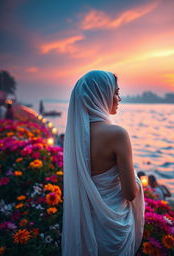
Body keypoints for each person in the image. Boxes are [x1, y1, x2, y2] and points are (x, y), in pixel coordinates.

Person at [62, 70, 145, 256]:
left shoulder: (75, 135)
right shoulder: (117, 134)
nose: (119, 98)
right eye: (115, 92)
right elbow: (130, 193)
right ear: (100, 94)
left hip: (86, 224)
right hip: (112, 229)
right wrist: (138, 181)